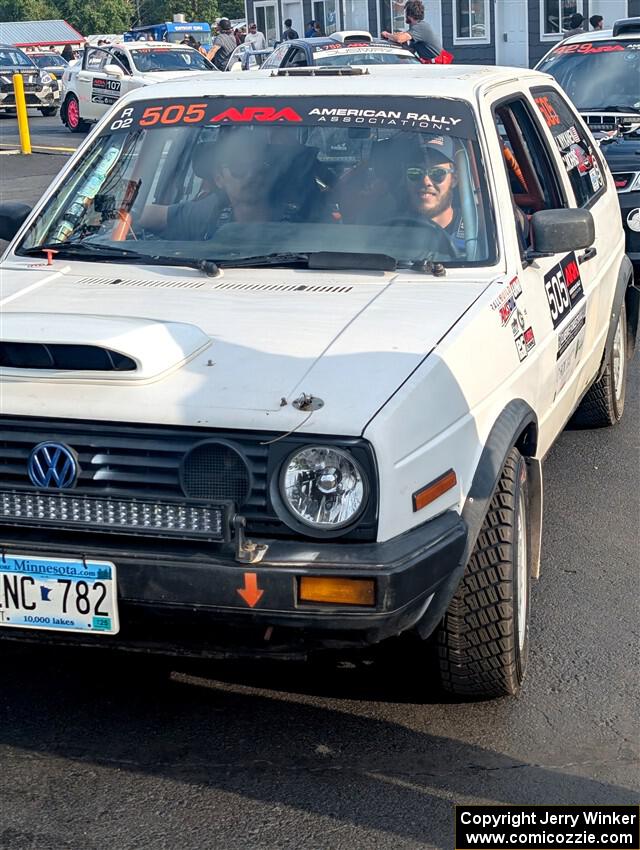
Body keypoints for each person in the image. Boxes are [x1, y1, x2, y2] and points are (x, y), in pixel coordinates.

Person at [401, 135, 465, 251]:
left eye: (437, 173)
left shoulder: (477, 233)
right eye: (415, 173)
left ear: (454, 179)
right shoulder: (391, 231)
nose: (426, 181)